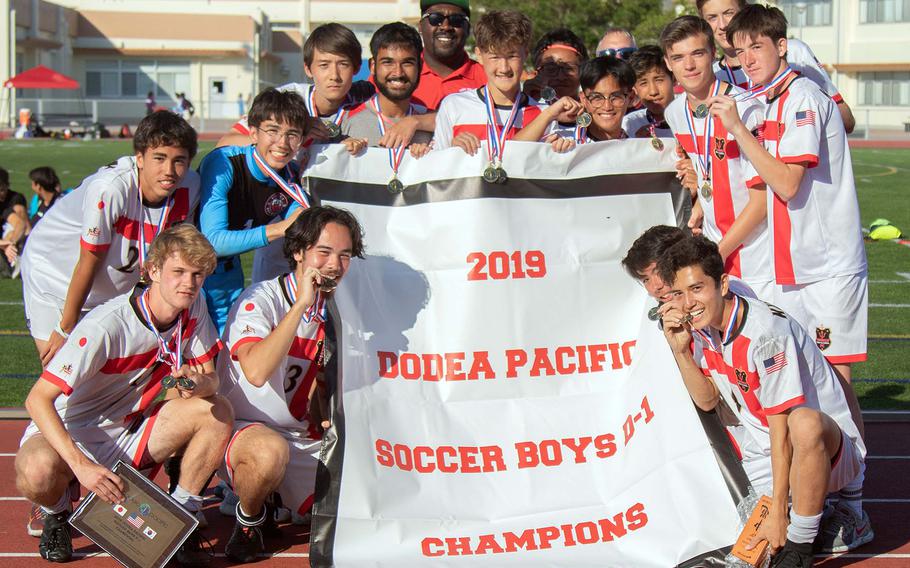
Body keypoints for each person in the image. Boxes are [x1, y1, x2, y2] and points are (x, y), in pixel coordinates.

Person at [15, 224, 232, 565]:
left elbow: (211, 381)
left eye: (197, 274)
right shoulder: (107, 326)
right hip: (72, 429)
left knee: (217, 411)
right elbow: (37, 399)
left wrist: (193, 384)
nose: (189, 284)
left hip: (129, 427)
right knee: (37, 471)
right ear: (153, 270)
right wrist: (82, 467)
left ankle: (180, 520)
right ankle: (55, 512)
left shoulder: (194, 306)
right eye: (178, 272)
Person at [657, 235, 871, 566]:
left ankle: (800, 547)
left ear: (723, 284)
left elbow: (783, 429)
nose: (688, 302)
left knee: (802, 423)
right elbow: (708, 400)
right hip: (771, 453)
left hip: (827, 453)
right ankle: (811, 513)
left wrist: (780, 513)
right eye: (680, 293)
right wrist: (680, 351)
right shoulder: (702, 327)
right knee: (743, 555)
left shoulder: (764, 334)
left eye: (697, 289)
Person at [711, 5, 867, 449]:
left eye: (756, 47)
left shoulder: (803, 97)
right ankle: (825, 489)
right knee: (809, 384)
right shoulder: (766, 100)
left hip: (829, 265)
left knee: (836, 382)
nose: (748, 59)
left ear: (783, 47)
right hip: (796, 264)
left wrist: (739, 130)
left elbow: (786, 182)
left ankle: (854, 497)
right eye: (740, 52)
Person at [215, 206, 364, 563]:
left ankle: (277, 497)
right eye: (324, 252)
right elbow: (256, 371)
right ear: (298, 252)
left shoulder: (342, 310)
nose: (334, 265)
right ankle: (249, 520)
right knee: (268, 453)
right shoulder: (260, 299)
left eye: (344, 256)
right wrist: (300, 306)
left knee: (358, 510)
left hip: (297, 435)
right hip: (241, 428)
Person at [20, 111, 201, 367]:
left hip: (114, 287)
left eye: (179, 160)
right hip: (56, 279)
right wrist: (65, 328)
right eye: (159, 158)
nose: (169, 171)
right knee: (63, 374)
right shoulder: (111, 188)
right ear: (139, 158)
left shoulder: (190, 186)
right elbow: (88, 261)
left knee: (108, 378)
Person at [198, 88, 310, 333]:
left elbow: (303, 219)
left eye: (292, 134)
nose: (282, 143)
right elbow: (212, 242)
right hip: (185, 270)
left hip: (226, 272)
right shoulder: (225, 163)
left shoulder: (289, 174)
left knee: (226, 350)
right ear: (253, 133)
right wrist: (279, 229)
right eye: (273, 131)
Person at [697, 0, 856, 133]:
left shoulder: (794, 52)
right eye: (712, 17)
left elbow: (845, 120)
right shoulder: (713, 76)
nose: (723, 25)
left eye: (728, 13)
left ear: (744, 11)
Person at [219, 24, 373, 153]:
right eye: (324, 65)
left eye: (343, 64)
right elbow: (226, 143)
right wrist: (296, 133)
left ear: (357, 68)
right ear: (308, 69)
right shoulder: (286, 98)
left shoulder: (365, 98)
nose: (334, 75)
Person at [432, 10, 547, 157]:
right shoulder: (455, 105)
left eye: (512, 56)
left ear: (526, 54)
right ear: (479, 55)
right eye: (495, 57)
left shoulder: (544, 114)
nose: (504, 68)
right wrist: (453, 152)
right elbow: (437, 168)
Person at [340, 22, 433, 152]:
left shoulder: (431, 125)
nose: (398, 73)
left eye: (407, 63)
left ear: (420, 66)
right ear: (372, 66)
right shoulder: (347, 120)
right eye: (388, 62)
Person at [413, 0, 486, 112]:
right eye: (435, 18)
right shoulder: (400, 75)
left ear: (468, 29)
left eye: (456, 20)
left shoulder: (489, 80)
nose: (446, 27)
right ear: (420, 26)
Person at [623, 46, 675, 139]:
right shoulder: (630, 124)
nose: (653, 91)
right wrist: (636, 145)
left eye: (659, 80)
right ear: (635, 88)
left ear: (673, 79)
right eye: (643, 83)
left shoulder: (692, 119)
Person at [524, 28, 589, 102]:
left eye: (568, 68)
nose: (560, 77)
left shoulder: (599, 110)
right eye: (551, 69)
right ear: (536, 73)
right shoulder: (522, 108)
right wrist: (526, 102)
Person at [0, 167, 29, 278]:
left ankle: (16, 257)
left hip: (7, 240)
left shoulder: (14, 199)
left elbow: (21, 224)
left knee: (14, 231)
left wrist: (10, 243)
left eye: (2, 189)